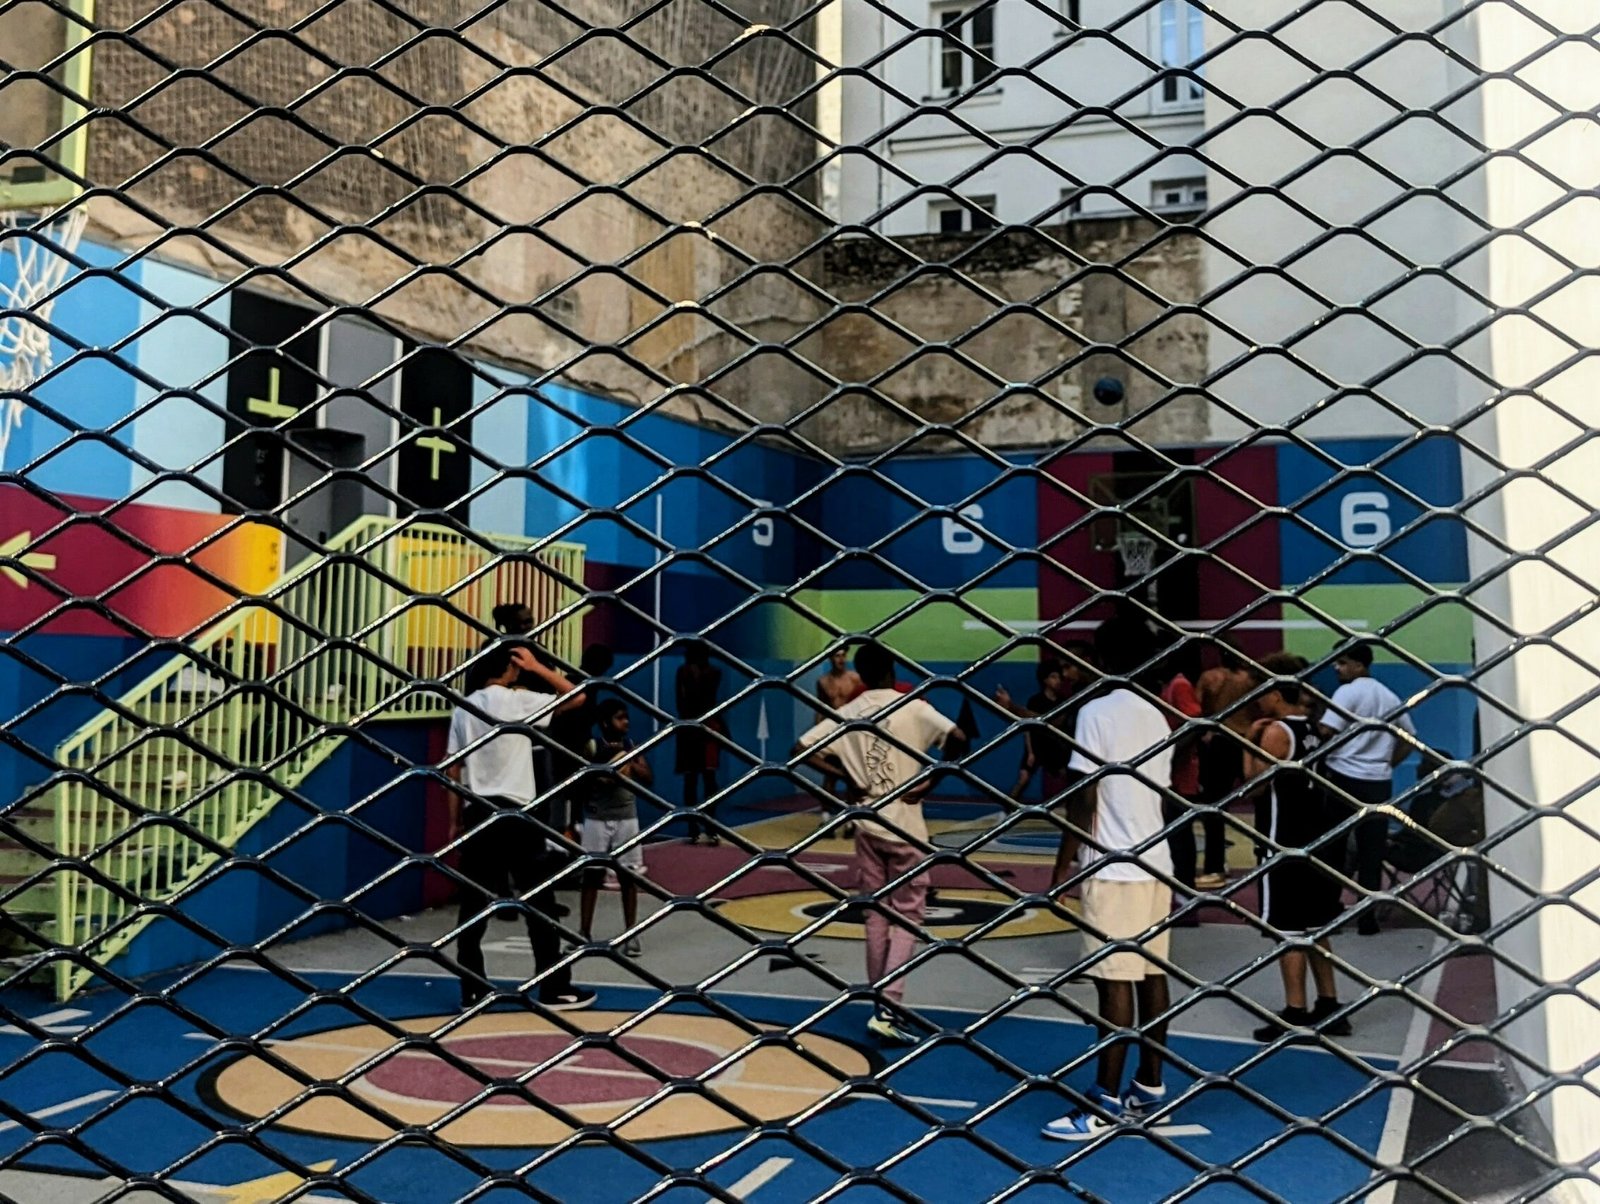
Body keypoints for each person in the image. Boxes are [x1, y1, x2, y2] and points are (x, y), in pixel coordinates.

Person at [1041, 616, 1176, 1141]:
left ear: (1102, 658)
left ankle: (1102, 1102)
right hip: (1154, 862)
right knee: (1151, 974)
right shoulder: (1157, 715)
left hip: (1112, 866)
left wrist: (1061, 868)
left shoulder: (1095, 711)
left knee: (1113, 981)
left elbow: (1084, 795)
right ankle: (1151, 1084)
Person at [794, 641, 966, 1046]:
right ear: (892, 669)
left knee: (875, 914)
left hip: (867, 827)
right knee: (908, 916)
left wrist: (846, 783)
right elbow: (959, 738)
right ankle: (889, 1006)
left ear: (862, 674)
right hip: (907, 830)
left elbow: (799, 750)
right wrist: (930, 781)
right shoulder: (914, 706)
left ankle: (880, 1004)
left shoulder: (849, 711)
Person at [444, 643, 595, 1012]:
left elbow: (453, 768)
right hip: (516, 812)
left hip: (478, 812)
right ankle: (554, 987)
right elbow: (578, 697)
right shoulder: (516, 701)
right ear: (511, 666)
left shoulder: (465, 706)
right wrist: (538, 667)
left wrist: (453, 821)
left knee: (473, 907)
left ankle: (473, 990)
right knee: (539, 904)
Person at [1243, 653, 1352, 1039]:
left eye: (1262, 689)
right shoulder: (1314, 728)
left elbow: (1254, 785)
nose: (1257, 696)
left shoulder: (1274, 734)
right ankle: (1330, 1003)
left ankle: (1295, 1010)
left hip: (1283, 841)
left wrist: (1248, 742)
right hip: (1315, 839)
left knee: (1289, 929)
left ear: (1276, 692)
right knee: (1317, 924)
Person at [1319, 639, 1418, 935]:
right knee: (1371, 850)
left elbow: (1326, 730)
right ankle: (1368, 915)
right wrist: (1387, 763)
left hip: (1343, 775)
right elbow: (1409, 737)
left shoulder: (1347, 693)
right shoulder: (1388, 696)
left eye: (1343, 663)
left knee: (1333, 847)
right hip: (1377, 781)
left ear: (1359, 665)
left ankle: (1329, 910)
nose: (1337, 668)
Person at [579, 700, 651, 957]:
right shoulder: (592, 746)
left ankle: (631, 934)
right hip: (597, 819)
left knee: (628, 878)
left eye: (627, 717)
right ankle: (583, 933)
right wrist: (603, 773)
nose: (626, 722)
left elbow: (648, 777)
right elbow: (582, 781)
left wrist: (630, 765)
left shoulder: (631, 746)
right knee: (591, 877)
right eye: (621, 718)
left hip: (626, 819)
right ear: (606, 722)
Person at [1193, 641, 1261, 890]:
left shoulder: (1211, 678)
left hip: (1221, 742)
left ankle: (1215, 866)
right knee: (1261, 802)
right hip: (1246, 742)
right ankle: (1265, 858)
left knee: (1214, 807)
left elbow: (1197, 710)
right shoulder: (1251, 680)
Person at [992, 645, 1094, 805]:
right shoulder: (1047, 699)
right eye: (1058, 673)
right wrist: (1031, 751)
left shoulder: (1087, 695)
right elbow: (1043, 722)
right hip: (1041, 744)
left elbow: (1051, 722)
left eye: (1068, 667)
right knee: (1026, 778)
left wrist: (1012, 706)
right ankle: (1009, 808)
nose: (1064, 676)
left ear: (1087, 661)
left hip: (1061, 749)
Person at [1159, 641, 1205, 896]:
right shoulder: (1169, 686)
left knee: (1179, 830)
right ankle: (1179, 883)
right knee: (1172, 829)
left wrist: (1174, 756)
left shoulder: (1179, 685)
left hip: (1181, 771)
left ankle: (1185, 887)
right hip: (1172, 769)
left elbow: (1194, 724)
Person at [675, 640, 724, 845]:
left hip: (696, 727)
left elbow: (688, 699)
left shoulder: (703, 672)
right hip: (700, 726)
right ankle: (702, 827)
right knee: (703, 778)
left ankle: (700, 827)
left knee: (698, 779)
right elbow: (690, 700)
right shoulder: (698, 672)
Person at [815, 646, 866, 815]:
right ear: (830, 658)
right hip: (832, 732)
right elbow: (820, 708)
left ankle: (851, 817)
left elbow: (863, 705)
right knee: (830, 776)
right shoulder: (823, 682)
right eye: (837, 656)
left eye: (843, 655)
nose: (841, 659)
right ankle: (825, 816)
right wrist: (818, 733)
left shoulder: (855, 679)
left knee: (852, 773)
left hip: (851, 731)